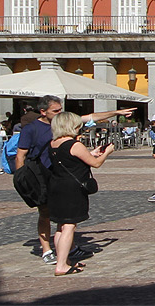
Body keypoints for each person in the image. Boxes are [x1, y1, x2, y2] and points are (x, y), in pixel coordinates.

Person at [17, 95, 131, 266]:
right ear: (43, 111)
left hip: (58, 175)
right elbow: (21, 154)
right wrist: (21, 179)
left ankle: (67, 250)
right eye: (55, 110)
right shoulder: (32, 129)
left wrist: (115, 112)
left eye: (60, 110)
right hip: (41, 175)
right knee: (46, 214)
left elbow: (91, 117)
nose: (59, 113)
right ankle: (47, 249)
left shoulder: (62, 125)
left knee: (61, 218)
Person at [45, 111, 114, 276]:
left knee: (61, 226)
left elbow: (72, 161)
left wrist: (92, 153)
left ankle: (64, 260)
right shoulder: (74, 145)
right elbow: (96, 164)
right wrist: (106, 152)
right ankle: (61, 265)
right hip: (71, 189)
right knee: (70, 226)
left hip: (56, 186)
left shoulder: (53, 143)